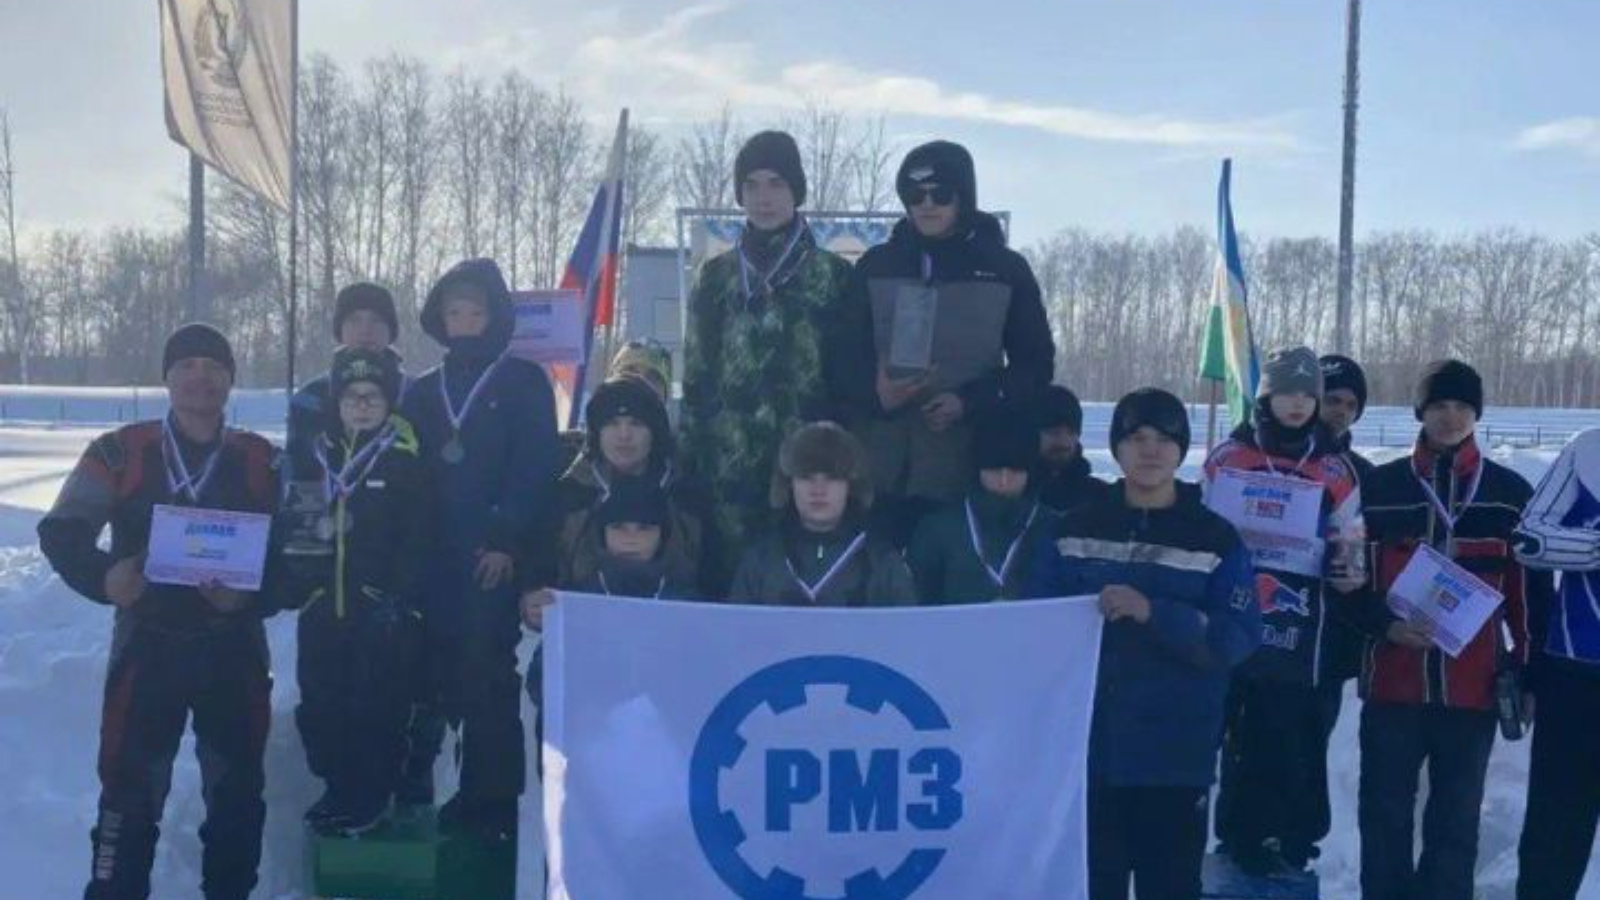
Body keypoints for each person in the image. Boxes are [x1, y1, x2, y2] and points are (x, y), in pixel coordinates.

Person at [37, 324, 281, 900]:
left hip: (233, 647)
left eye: (214, 366)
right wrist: (104, 577)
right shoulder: (120, 451)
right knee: (127, 792)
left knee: (238, 793)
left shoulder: (263, 460)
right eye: (187, 365)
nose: (201, 377)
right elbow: (62, 530)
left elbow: (300, 555)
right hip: (147, 646)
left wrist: (252, 595)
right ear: (167, 378)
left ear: (230, 380)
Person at [1027, 388, 1260, 900]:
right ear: (1116, 447)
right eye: (1136, 437)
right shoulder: (1073, 530)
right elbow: (1035, 626)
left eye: (1163, 438)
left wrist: (1154, 612)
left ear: (1181, 450)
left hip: (1174, 758)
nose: (1150, 450)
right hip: (1090, 757)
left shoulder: (1215, 538)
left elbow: (1238, 637)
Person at [1353, 360, 1545, 900]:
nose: (1450, 417)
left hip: (1473, 690)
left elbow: (1529, 597)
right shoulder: (1380, 488)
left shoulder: (1508, 493)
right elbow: (1345, 581)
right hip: (1392, 684)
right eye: (1438, 405)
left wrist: (1528, 673)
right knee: (1384, 817)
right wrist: (1385, 626)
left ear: (1476, 413)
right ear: (1421, 411)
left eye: (1462, 406)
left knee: (1456, 824)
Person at [399, 258, 560, 840]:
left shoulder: (523, 382)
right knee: (426, 675)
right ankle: (409, 792)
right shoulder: (421, 391)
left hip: (491, 560)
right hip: (433, 561)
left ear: (494, 318)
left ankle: (491, 809)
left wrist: (505, 539)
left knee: (487, 675)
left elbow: (535, 467)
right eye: (454, 312)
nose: (464, 322)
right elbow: (406, 474)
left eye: (475, 312)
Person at [841, 139, 1055, 545]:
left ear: (963, 197)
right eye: (915, 195)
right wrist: (876, 395)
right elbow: (842, 355)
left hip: (965, 469)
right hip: (879, 470)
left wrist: (969, 400)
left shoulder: (1004, 269)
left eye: (940, 194)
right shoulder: (876, 265)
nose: (927, 204)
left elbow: (1036, 365)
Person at [1205, 346, 1365, 875]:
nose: (1297, 405)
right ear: (1265, 398)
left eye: (1307, 395)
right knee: (1235, 738)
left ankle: (1290, 846)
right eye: (1286, 394)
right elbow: (1202, 528)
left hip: (1302, 633)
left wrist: (1346, 565)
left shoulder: (1334, 467)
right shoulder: (1229, 457)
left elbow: (1351, 544)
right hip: (1235, 617)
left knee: (1290, 739)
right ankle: (1233, 843)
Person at [680, 130, 855, 594]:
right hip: (730, 472)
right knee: (732, 593)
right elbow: (696, 376)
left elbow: (849, 381)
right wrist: (689, 463)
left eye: (776, 183)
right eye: (752, 185)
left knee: (803, 589)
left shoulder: (833, 276)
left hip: (808, 470)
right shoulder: (715, 277)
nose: (764, 198)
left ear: (796, 190)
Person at [282, 347, 432, 835]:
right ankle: (337, 788)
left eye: (373, 396)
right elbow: (299, 520)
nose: (362, 405)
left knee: (376, 709)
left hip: (379, 610)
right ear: (336, 402)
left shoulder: (406, 456)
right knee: (321, 704)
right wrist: (301, 584)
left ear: (390, 401)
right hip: (323, 608)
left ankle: (370, 798)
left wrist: (401, 597)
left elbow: (419, 536)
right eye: (351, 396)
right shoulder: (315, 454)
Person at [1512, 428, 1600, 900]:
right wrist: (1594, 548)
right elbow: (1528, 539)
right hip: (1576, 669)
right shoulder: (1589, 450)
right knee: (1557, 826)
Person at [533, 376, 718, 599]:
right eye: (612, 423)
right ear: (597, 432)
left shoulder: (686, 496)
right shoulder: (569, 495)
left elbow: (712, 577)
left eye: (636, 424)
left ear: (654, 432)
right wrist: (533, 599)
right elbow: (540, 572)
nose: (624, 435)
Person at [727, 421, 916, 606]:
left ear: (850, 486)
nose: (818, 490)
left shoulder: (883, 562)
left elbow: (907, 624)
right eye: (806, 477)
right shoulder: (760, 561)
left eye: (832, 478)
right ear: (789, 485)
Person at [907, 400, 1055, 603]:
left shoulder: (1052, 527)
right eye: (994, 469)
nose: (1004, 480)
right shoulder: (938, 530)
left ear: (1031, 470)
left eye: (1015, 469)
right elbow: (918, 603)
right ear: (977, 467)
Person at [286, 282, 406, 476]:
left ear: (390, 330)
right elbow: (297, 474)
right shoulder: (309, 400)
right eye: (354, 320)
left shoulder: (417, 395)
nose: (366, 330)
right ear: (339, 329)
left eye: (377, 320)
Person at [1033, 383, 1103, 513]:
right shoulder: (1014, 494)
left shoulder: (1100, 497)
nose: (1063, 442)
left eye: (1071, 432)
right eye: (1054, 432)